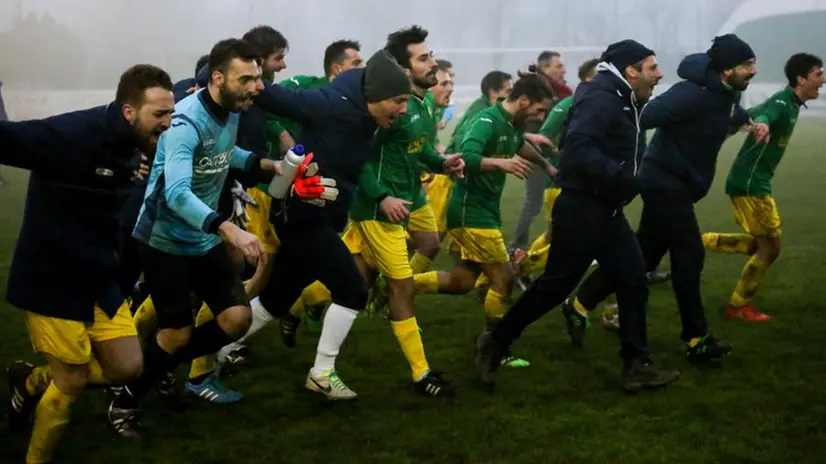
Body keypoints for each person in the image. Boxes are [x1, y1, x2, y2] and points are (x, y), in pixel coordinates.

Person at [475, 40, 681, 393]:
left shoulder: (620, 96)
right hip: (584, 206)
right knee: (555, 286)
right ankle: (495, 341)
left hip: (604, 207)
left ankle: (637, 364)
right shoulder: (602, 97)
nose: (659, 74)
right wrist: (625, 180)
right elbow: (580, 149)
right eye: (651, 68)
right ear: (631, 71)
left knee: (633, 278)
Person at [107, 39, 288, 438]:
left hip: (201, 240)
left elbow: (227, 155)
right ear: (219, 78)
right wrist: (229, 229)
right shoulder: (184, 122)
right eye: (248, 79)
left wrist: (268, 164)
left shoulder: (231, 109)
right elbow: (175, 194)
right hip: (163, 241)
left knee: (236, 320)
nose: (257, 87)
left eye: (258, 77)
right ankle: (125, 401)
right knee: (176, 333)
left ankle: (157, 365)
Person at [3, 64, 174, 464]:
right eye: (159, 115)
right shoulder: (72, 135)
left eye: (171, 114)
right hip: (51, 277)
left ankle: (30, 381)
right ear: (129, 112)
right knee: (73, 381)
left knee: (128, 367)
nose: (168, 124)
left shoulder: (137, 143)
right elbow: (7, 138)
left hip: (98, 276)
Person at [566, 34, 767, 361]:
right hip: (663, 181)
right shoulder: (690, 93)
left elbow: (724, 111)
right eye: (747, 64)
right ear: (726, 69)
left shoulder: (725, 92)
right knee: (689, 255)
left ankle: (578, 303)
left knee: (642, 255)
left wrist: (747, 122)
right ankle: (696, 339)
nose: (753, 70)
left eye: (753, 62)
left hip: (680, 184)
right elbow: (642, 116)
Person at [241, 49, 414, 400]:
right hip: (301, 214)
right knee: (352, 290)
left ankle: (221, 345)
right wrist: (233, 70)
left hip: (322, 215)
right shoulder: (333, 103)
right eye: (398, 101)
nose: (403, 109)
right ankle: (322, 373)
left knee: (277, 299)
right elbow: (274, 97)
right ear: (376, 97)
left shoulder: (366, 105)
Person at [344, 26, 464, 396]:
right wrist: (381, 197)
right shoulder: (390, 108)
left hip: (402, 201)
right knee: (398, 286)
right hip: (380, 210)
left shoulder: (424, 104)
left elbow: (418, 148)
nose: (433, 63)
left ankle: (293, 307)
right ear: (403, 69)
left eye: (430, 55)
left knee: (354, 282)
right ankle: (421, 374)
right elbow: (357, 157)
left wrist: (442, 163)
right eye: (423, 58)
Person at [412, 74, 556, 368]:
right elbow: (466, 156)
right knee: (503, 280)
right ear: (524, 100)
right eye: (540, 110)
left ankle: (401, 287)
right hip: (470, 214)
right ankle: (494, 347)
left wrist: (546, 164)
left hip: (483, 213)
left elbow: (519, 144)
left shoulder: (512, 125)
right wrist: (502, 163)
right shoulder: (486, 120)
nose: (542, 117)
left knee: (462, 282)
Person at [703, 52, 824, 321]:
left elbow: (753, 113)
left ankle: (697, 243)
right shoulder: (782, 103)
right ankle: (737, 306)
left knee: (761, 246)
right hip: (750, 184)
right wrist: (763, 126)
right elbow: (768, 114)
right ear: (801, 78)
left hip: (752, 183)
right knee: (770, 248)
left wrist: (743, 123)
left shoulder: (788, 102)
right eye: (818, 74)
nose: (823, 80)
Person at [509, 51, 572, 254]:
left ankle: (551, 247)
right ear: (545, 69)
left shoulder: (557, 92)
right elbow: (528, 125)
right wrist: (533, 146)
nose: (563, 70)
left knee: (551, 206)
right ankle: (516, 250)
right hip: (535, 153)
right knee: (533, 203)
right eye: (559, 66)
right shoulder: (539, 93)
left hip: (549, 154)